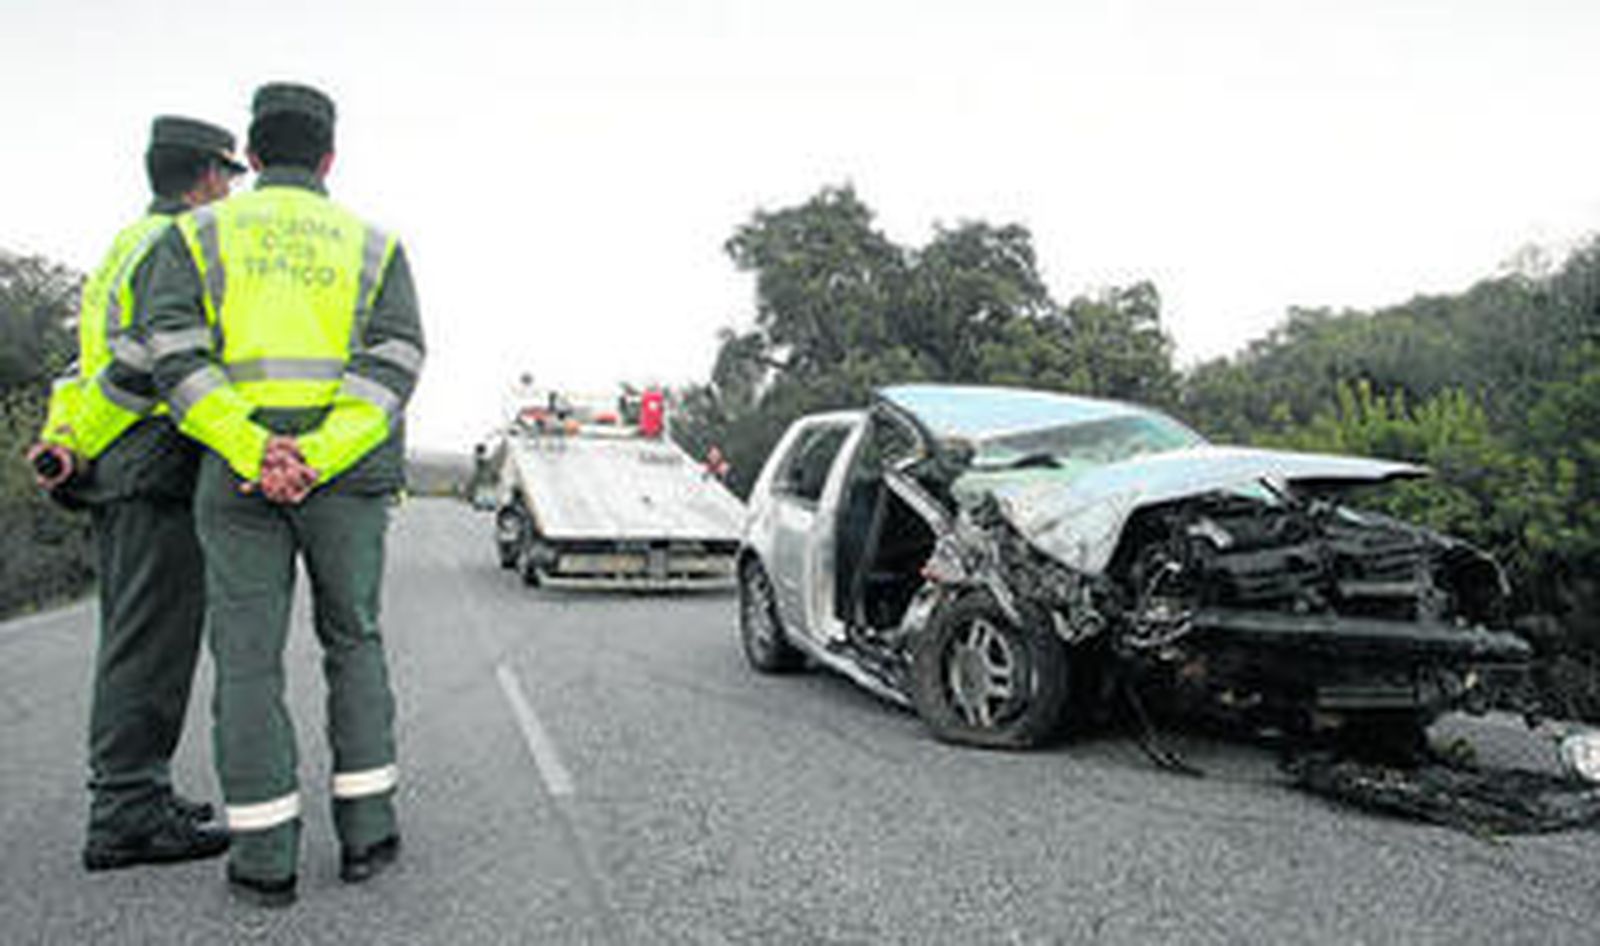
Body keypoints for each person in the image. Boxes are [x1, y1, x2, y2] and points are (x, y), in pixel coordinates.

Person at [141, 82, 425, 908]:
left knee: (247, 659)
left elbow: (172, 353)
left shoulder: (196, 234)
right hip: (348, 476)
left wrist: (255, 446)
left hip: (236, 475)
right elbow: (399, 358)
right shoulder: (374, 242)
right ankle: (368, 834)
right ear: (328, 157)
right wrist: (322, 451)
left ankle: (264, 860)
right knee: (355, 640)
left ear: (255, 155)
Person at [27, 116, 242, 873]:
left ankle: (141, 790)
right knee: (149, 645)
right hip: (150, 460)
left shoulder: (124, 244)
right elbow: (145, 369)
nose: (231, 192)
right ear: (209, 177)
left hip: (119, 460)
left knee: (137, 633)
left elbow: (80, 368)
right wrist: (83, 438)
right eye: (230, 177)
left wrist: (69, 437)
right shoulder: (175, 249)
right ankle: (125, 814)